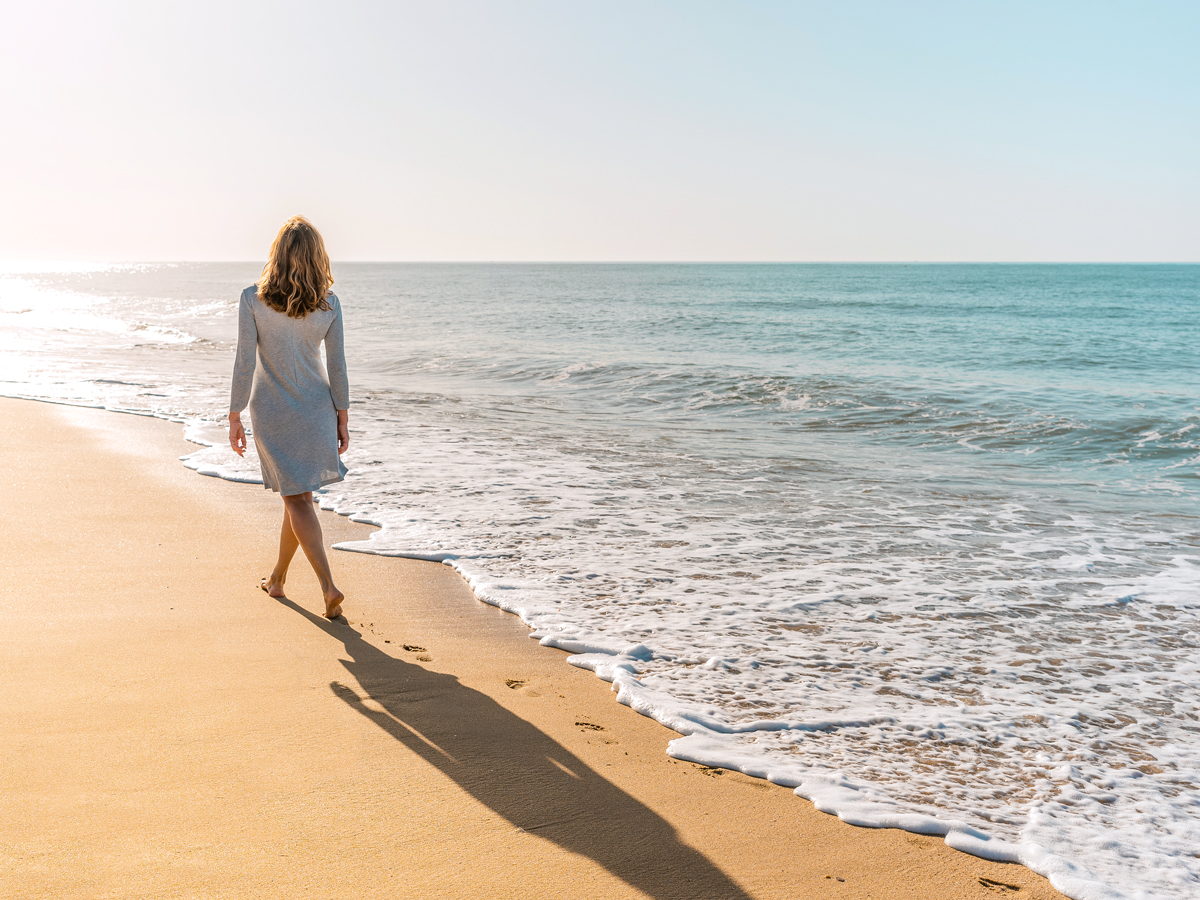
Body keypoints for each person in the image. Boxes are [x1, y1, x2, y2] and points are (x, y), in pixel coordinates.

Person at [228, 216, 350, 619]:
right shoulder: (328, 304)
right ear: (318, 257)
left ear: (276, 254)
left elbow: (245, 363)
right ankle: (277, 579)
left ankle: (328, 588)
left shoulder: (252, 299)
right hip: (317, 410)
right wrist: (342, 418)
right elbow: (338, 369)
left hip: (272, 411)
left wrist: (234, 414)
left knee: (296, 499)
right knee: (299, 498)